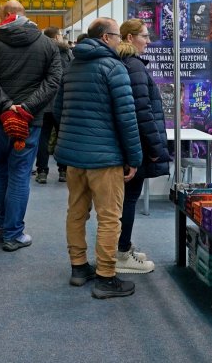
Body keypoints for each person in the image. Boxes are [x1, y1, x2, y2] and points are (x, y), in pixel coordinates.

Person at [54, 17, 143, 299]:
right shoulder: (114, 68)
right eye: (117, 36)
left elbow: (58, 110)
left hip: (74, 157)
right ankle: (105, 276)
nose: (120, 41)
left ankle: (79, 267)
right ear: (106, 38)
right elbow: (126, 118)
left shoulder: (72, 67)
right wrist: (134, 157)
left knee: (76, 213)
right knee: (109, 218)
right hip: (105, 159)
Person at [0, 0, 63, 251]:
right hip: (29, 121)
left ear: (4, 15)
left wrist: (6, 106)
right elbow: (53, 80)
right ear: (23, 14)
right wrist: (27, 108)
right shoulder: (46, 44)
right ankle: (13, 232)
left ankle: (5, 226)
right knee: (20, 174)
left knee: (0, 172)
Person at [115, 18, 172, 274]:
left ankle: (123, 247)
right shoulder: (134, 65)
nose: (148, 41)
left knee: (124, 200)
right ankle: (121, 253)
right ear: (130, 38)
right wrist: (155, 148)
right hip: (136, 145)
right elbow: (142, 112)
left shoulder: (124, 63)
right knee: (128, 200)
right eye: (144, 36)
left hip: (130, 144)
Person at [35, 27, 72, 184]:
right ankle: (63, 170)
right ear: (57, 36)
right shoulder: (66, 53)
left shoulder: (39, 52)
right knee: (62, 136)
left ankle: (42, 171)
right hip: (61, 102)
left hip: (43, 102)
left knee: (42, 138)